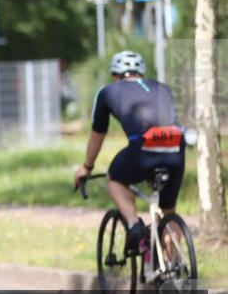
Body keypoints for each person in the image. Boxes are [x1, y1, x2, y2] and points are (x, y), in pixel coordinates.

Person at [73, 51, 186, 257]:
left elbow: (98, 134)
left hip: (143, 147)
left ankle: (134, 226)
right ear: (140, 73)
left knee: (115, 177)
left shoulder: (108, 92)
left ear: (115, 76)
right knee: (168, 212)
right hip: (176, 147)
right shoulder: (161, 87)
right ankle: (174, 271)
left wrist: (87, 167)